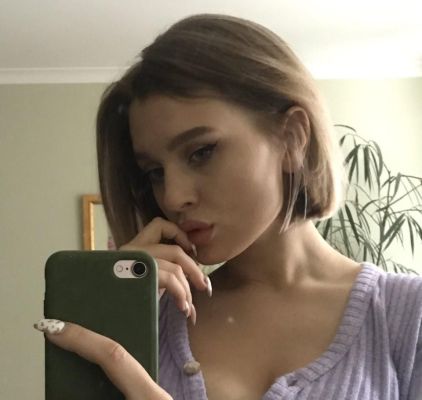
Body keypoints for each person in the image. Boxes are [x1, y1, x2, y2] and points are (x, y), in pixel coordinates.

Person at [34, 13, 422, 400]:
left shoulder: (408, 316)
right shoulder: (143, 324)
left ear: (292, 138)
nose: (173, 197)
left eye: (202, 152)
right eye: (154, 172)